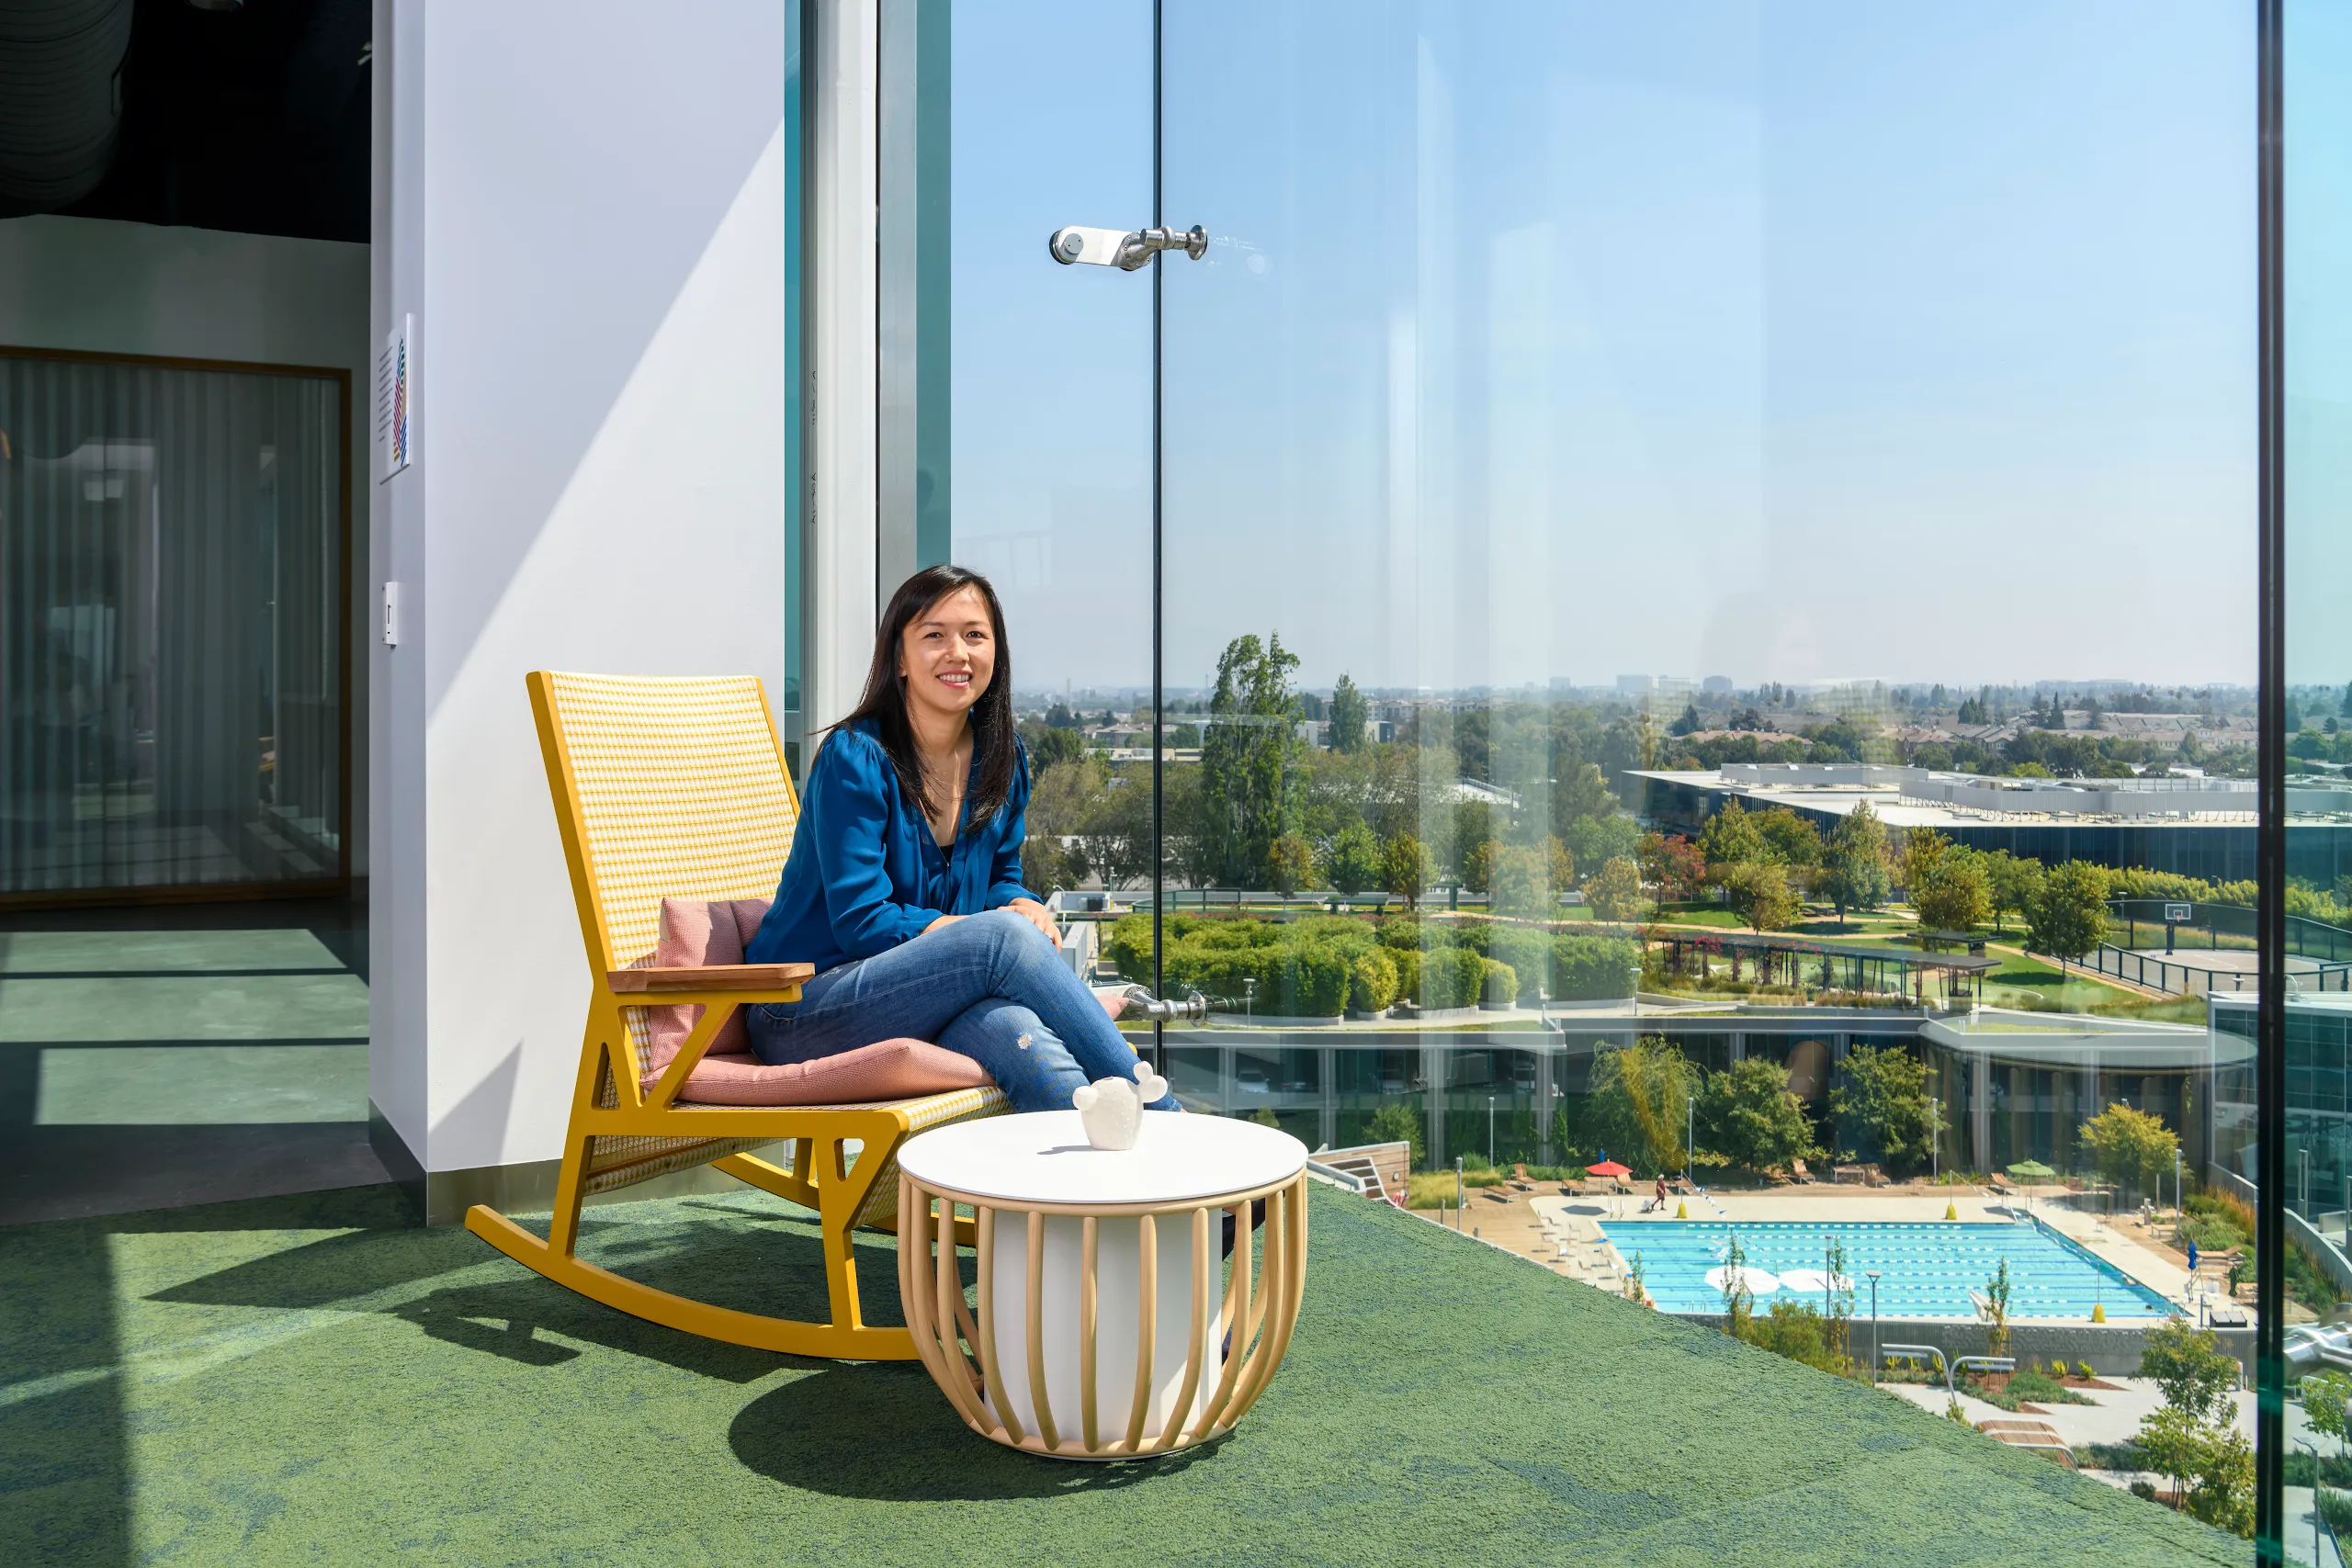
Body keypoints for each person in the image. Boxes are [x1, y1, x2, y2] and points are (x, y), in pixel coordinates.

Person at [743, 564, 1178, 1116]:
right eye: (933, 635)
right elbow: (860, 923)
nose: (958, 652)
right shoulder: (854, 758)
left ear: (996, 652)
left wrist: (1017, 903)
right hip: (801, 1011)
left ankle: (1087, 1192)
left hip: (923, 993)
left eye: (975, 635)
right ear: (899, 658)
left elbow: (1000, 879)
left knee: (1019, 1034)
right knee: (1001, 940)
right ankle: (1170, 1121)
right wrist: (988, 931)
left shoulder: (1004, 757)